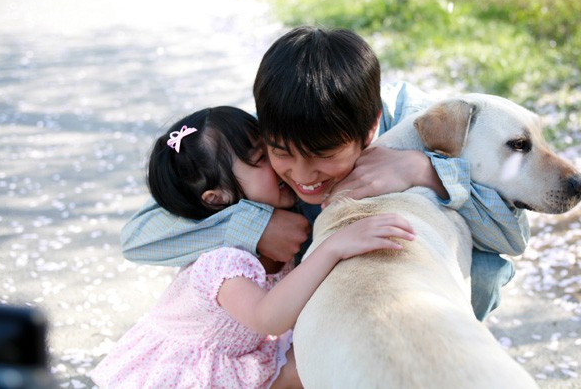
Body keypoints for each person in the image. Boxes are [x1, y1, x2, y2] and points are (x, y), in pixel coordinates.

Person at [120, 26, 530, 321]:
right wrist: (255, 225)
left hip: (411, 289)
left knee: (485, 270)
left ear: (370, 129)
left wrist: (425, 170)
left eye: (323, 155)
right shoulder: (256, 136)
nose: (301, 176)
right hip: (303, 297)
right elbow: (140, 238)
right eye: (280, 152)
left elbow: (510, 239)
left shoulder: (421, 124)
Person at [91, 106, 415, 388]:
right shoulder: (221, 262)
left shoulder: (278, 231)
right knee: (311, 364)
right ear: (217, 198)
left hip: (242, 358)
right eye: (262, 158)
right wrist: (332, 247)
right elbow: (268, 317)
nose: (279, 164)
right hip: (190, 374)